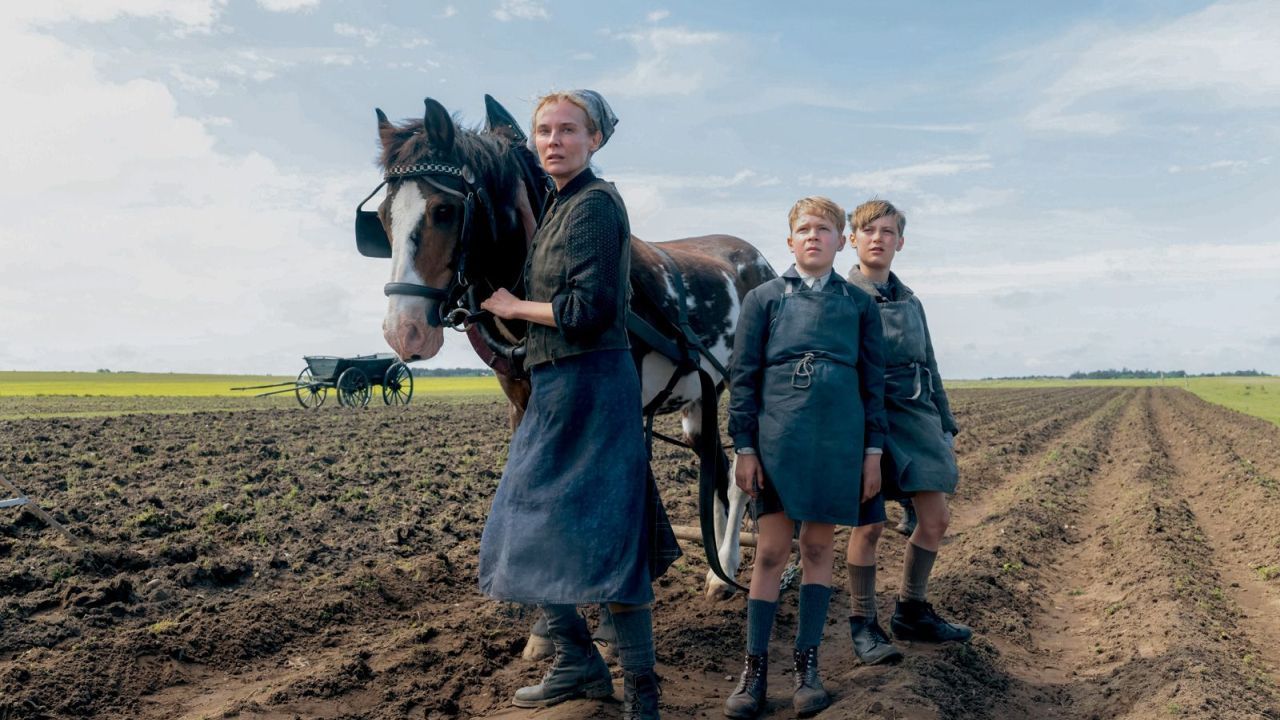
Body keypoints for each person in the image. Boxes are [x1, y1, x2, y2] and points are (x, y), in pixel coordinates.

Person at [479, 89, 674, 719]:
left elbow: (588, 312)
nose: (553, 140)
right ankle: (580, 664)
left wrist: (513, 308)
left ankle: (643, 693)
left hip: (591, 383)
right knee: (524, 527)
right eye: (544, 130)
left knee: (611, 539)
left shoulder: (592, 205)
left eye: (568, 130)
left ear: (595, 140)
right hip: (558, 386)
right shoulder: (559, 205)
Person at [723, 197, 888, 717]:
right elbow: (743, 378)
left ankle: (807, 667)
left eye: (824, 229)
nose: (813, 236)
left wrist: (872, 454)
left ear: (842, 241)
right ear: (789, 241)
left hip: (839, 439)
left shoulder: (859, 305)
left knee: (818, 549)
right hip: (778, 439)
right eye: (803, 229)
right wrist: (745, 447)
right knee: (771, 552)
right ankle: (753, 673)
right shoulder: (764, 300)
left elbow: (873, 385)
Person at [843, 199, 971, 667]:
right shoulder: (842, 296)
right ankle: (862, 622)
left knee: (934, 519)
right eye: (869, 230)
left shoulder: (911, 300)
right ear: (852, 239)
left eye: (888, 231)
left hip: (915, 415)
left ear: (901, 241)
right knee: (870, 524)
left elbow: (929, 363)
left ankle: (912, 610)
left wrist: (945, 421)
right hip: (865, 416)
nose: (878, 238)